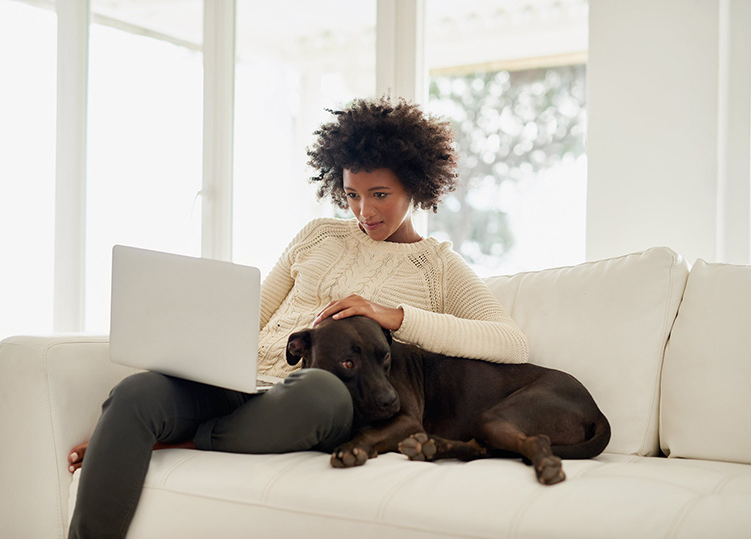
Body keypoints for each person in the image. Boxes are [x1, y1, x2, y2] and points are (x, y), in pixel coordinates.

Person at [67, 96, 529, 538]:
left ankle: (171, 440)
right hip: (237, 385)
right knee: (134, 393)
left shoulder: (438, 266)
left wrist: (393, 315)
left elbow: (511, 343)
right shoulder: (315, 236)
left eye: (380, 194)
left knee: (321, 391)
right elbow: (253, 316)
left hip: (306, 402)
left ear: (417, 184)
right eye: (351, 194)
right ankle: (136, 440)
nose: (365, 211)